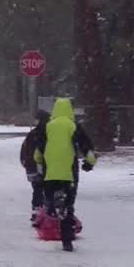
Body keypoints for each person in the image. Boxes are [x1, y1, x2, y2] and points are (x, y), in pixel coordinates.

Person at [35, 96, 96, 250]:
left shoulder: (48, 127)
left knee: (49, 201)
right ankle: (67, 239)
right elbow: (87, 148)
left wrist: (40, 165)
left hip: (49, 174)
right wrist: (89, 163)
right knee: (69, 207)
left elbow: (38, 153)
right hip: (69, 174)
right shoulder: (74, 126)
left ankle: (52, 209)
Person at [20, 118, 46, 222]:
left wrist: (25, 164)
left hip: (31, 168)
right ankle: (43, 212)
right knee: (44, 190)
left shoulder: (31, 135)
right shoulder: (46, 136)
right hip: (40, 167)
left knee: (37, 190)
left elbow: (23, 151)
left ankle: (36, 211)